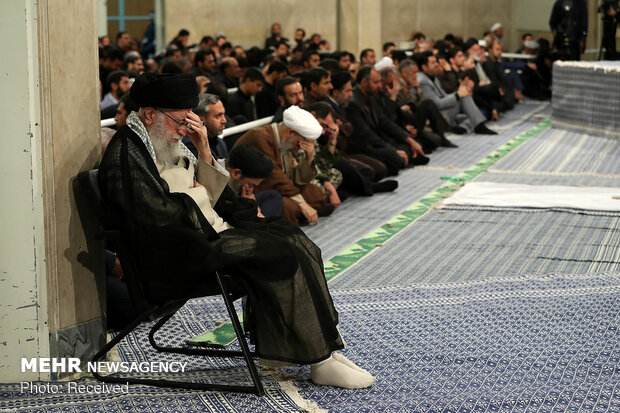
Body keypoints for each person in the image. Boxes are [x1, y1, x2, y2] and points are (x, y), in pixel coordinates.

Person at [98, 73, 375, 389]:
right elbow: (152, 217)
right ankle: (317, 361)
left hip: (202, 233)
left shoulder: (162, 140)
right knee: (280, 253)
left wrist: (203, 148)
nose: (182, 131)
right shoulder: (127, 152)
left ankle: (323, 347)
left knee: (293, 237)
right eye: (179, 122)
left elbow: (214, 196)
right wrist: (196, 193)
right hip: (175, 253)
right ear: (150, 114)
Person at [235, 105, 337, 225]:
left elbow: (297, 179)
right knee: (289, 207)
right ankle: (301, 215)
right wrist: (302, 203)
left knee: (315, 192)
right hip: (257, 189)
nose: (300, 147)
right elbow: (275, 176)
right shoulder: (260, 137)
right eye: (301, 142)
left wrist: (309, 158)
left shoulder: (286, 142)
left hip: (279, 187)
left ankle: (303, 214)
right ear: (291, 132)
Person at [415, 52, 496, 135]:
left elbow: (444, 95)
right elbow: (436, 104)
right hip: (437, 116)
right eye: (433, 63)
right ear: (424, 67)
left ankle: (463, 127)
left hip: (445, 111)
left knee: (474, 112)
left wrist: (460, 92)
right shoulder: (423, 81)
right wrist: (458, 95)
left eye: (436, 61)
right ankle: (479, 126)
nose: (437, 64)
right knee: (466, 100)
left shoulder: (433, 77)